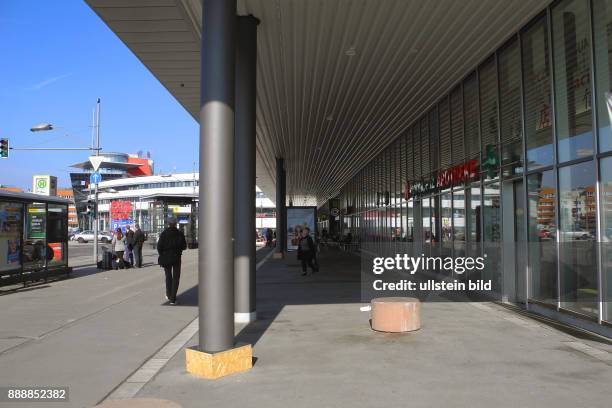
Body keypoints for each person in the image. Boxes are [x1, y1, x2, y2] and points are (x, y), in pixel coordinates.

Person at [157, 217, 187, 305]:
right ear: (175, 224)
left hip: (166, 257)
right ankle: (173, 298)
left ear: (168, 224)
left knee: (168, 276)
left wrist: (162, 254)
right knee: (176, 278)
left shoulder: (164, 233)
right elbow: (184, 246)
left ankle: (168, 294)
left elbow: (159, 247)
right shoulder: (180, 234)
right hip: (177, 257)